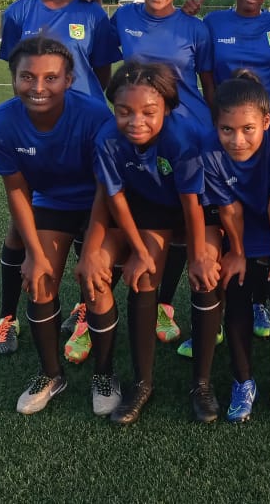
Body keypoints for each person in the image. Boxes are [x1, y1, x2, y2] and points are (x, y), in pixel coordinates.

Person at [0, 0, 121, 360]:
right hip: (37, 128)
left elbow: (101, 71)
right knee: (21, 227)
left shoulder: (92, 12)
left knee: (93, 220)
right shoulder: (19, 11)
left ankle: (86, 308)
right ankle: (7, 316)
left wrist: (84, 107)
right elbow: (18, 70)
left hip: (85, 129)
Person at [75, 61, 224, 424]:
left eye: (148, 112)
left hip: (198, 210)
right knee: (143, 277)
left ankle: (201, 384)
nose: (135, 121)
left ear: (167, 109)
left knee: (206, 276)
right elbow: (115, 199)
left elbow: (192, 203)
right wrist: (141, 253)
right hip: (150, 213)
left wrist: (199, 254)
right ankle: (142, 383)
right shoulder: (108, 139)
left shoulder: (182, 136)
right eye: (124, 111)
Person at [0, 36, 113, 414]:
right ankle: (51, 374)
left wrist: (90, 251)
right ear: (13, 78)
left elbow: (107, 188)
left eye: (51, 78)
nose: (38, 87)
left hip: (96, 204)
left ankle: (104, 375)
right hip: (50, 204)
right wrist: (34, 253)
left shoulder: (95, 116)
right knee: (40, 281)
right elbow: (18, 192)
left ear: (69, 80)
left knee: (97, 281)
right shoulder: (1, 122)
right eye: (27, 77)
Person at [110, 0, 216, 346]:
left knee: (187, 222)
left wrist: (214, 129)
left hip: (189, 134)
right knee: (144, 213)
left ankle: (168, 304)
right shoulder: (122, 18)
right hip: (140, 133)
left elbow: (207, 83)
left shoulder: (195, 27)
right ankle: (96, 304)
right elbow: (105, 67)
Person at [200, 71, 270, 423]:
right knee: (236, 286)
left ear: (266, 121)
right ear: (216, 125)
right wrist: (236, 253)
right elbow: (228, 208)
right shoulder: (209, 150)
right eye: (227, 130)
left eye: (248, 129)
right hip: (242, 230)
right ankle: (242, 380)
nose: (237, 140)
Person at [203, 0, 270, 345]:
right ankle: (223, 307)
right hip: (231, 129)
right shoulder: (212, 22)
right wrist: (216, 117)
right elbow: (206, 75)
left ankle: (269, 297)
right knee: (227, 208)